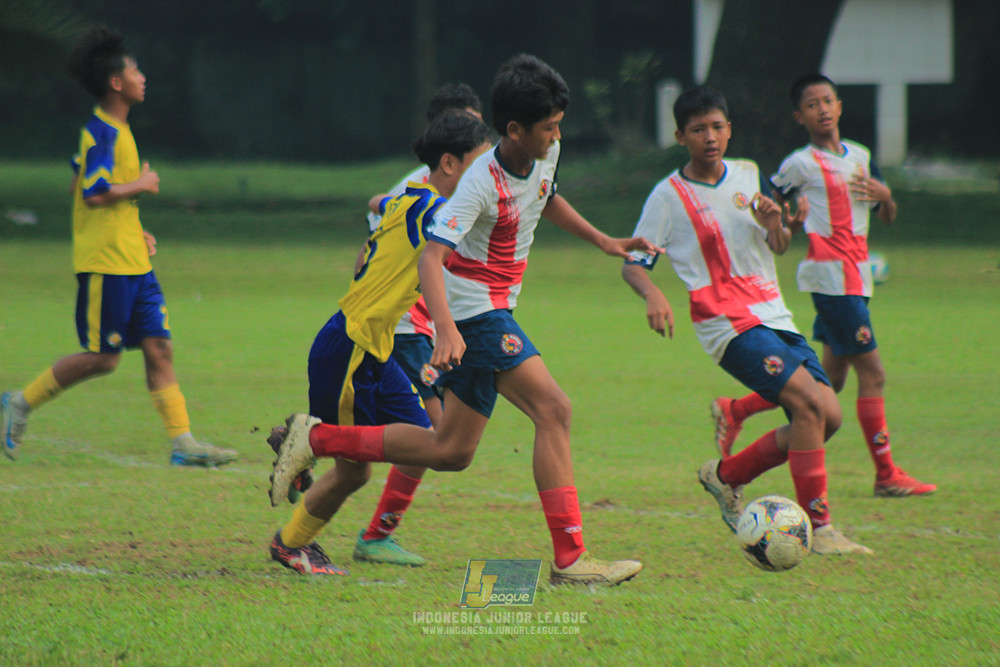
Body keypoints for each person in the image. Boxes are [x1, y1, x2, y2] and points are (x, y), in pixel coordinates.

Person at [269, 54, 653, 585]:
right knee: (554, 409)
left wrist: (604, 241)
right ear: (514, 131)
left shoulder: (547, 151)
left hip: (488, 312)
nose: (558, 135)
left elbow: (547, 194)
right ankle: (571, 560)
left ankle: (318, 442)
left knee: (450, 450)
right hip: (477, 316)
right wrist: (446, 328)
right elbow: (430, 255)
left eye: (559, 124)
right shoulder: (475, 182)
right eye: (549, 127)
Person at [621, 86, 871, 555]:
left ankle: (726, 476)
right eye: (698, 130)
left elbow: (774, 247)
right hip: (725, 324)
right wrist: (653, 294)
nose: (709, 137)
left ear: (729, 129)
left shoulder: (748, 174)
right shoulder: (667, 196)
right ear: (681, 136)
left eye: (717, 127)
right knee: (809, 407)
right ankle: (821, 529)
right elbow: (634, 263)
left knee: (827, 416)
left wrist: (777, 224)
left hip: (774, 314)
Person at [267, 111, 494, 575]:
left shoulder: (410, 195)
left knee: (431, 444)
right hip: (351, 345)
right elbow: (433, 261)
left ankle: (307, 443)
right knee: (356, 471)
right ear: (449, 164)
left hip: (376, 349)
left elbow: (373, 233)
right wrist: (447, 328)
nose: (489, 175)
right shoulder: (434, 210)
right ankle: (292, 538)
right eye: (482, 162)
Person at [1, 27, 236, 467]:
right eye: (134, 71)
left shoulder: (115, 129)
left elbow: (82, 180)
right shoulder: (103, 131)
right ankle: (20, 401)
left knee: (159, 348)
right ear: (116, 83)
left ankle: (183, 445)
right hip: (106, 264)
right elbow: (92, 190)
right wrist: (142, 185)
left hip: (132, 258)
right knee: (104, 358)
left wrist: (132, 225)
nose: (142, 77)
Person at [710, 74, 935, 498]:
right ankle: (886, 474)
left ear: (840, 106)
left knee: (827, 382)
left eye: (828, 101)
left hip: (858, 276)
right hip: (831, 279)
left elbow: (886, 215)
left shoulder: (862, 156)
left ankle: (735, 408)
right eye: (812, 105)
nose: (822, 109)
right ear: (800, 116)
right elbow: (767, 199)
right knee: (874, 373)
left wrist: (886, 196)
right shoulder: (801, 163)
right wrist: (780, 221)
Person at [363, 82, 484, 430]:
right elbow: (372, 243)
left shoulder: (472, 187)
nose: (477, 140)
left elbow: (376, 203)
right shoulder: (421, 192)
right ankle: (318, 439)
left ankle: (320, 439)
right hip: (406, 323)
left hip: (433, 321)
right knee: (441, 437)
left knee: (425, 435)